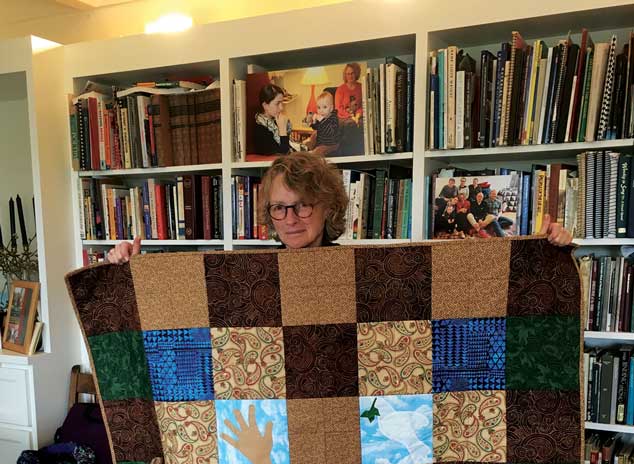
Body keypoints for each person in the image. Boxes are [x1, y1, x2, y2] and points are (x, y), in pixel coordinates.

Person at [105, 152, 573, 262]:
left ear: (328, 206)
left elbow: (464, 287)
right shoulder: (249, 275)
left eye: (302, 206)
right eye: (278, 208)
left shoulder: (362, 269)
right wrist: (126, 271)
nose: (290, 219)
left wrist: (545, 252)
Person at [253, 83, 292, 156]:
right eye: (277, 103)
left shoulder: (275, 120)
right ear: (265, 105)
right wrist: (282, 130)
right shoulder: (260, 129)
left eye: (282, 103)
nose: (281, 108)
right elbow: (284, 155)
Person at [307, 91, 340, 156]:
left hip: (331, 144)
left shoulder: (333, 118)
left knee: (319, 150)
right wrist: (313, 122)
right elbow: (316, 128)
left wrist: (322, 120)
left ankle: (313, 154)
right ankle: (308, 146)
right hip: (321, 141)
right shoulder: (322, 117)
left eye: (324, 107)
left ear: (331, 108)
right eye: (319, 107)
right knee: (315, 134)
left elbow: (330, 132)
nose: (321, 110)